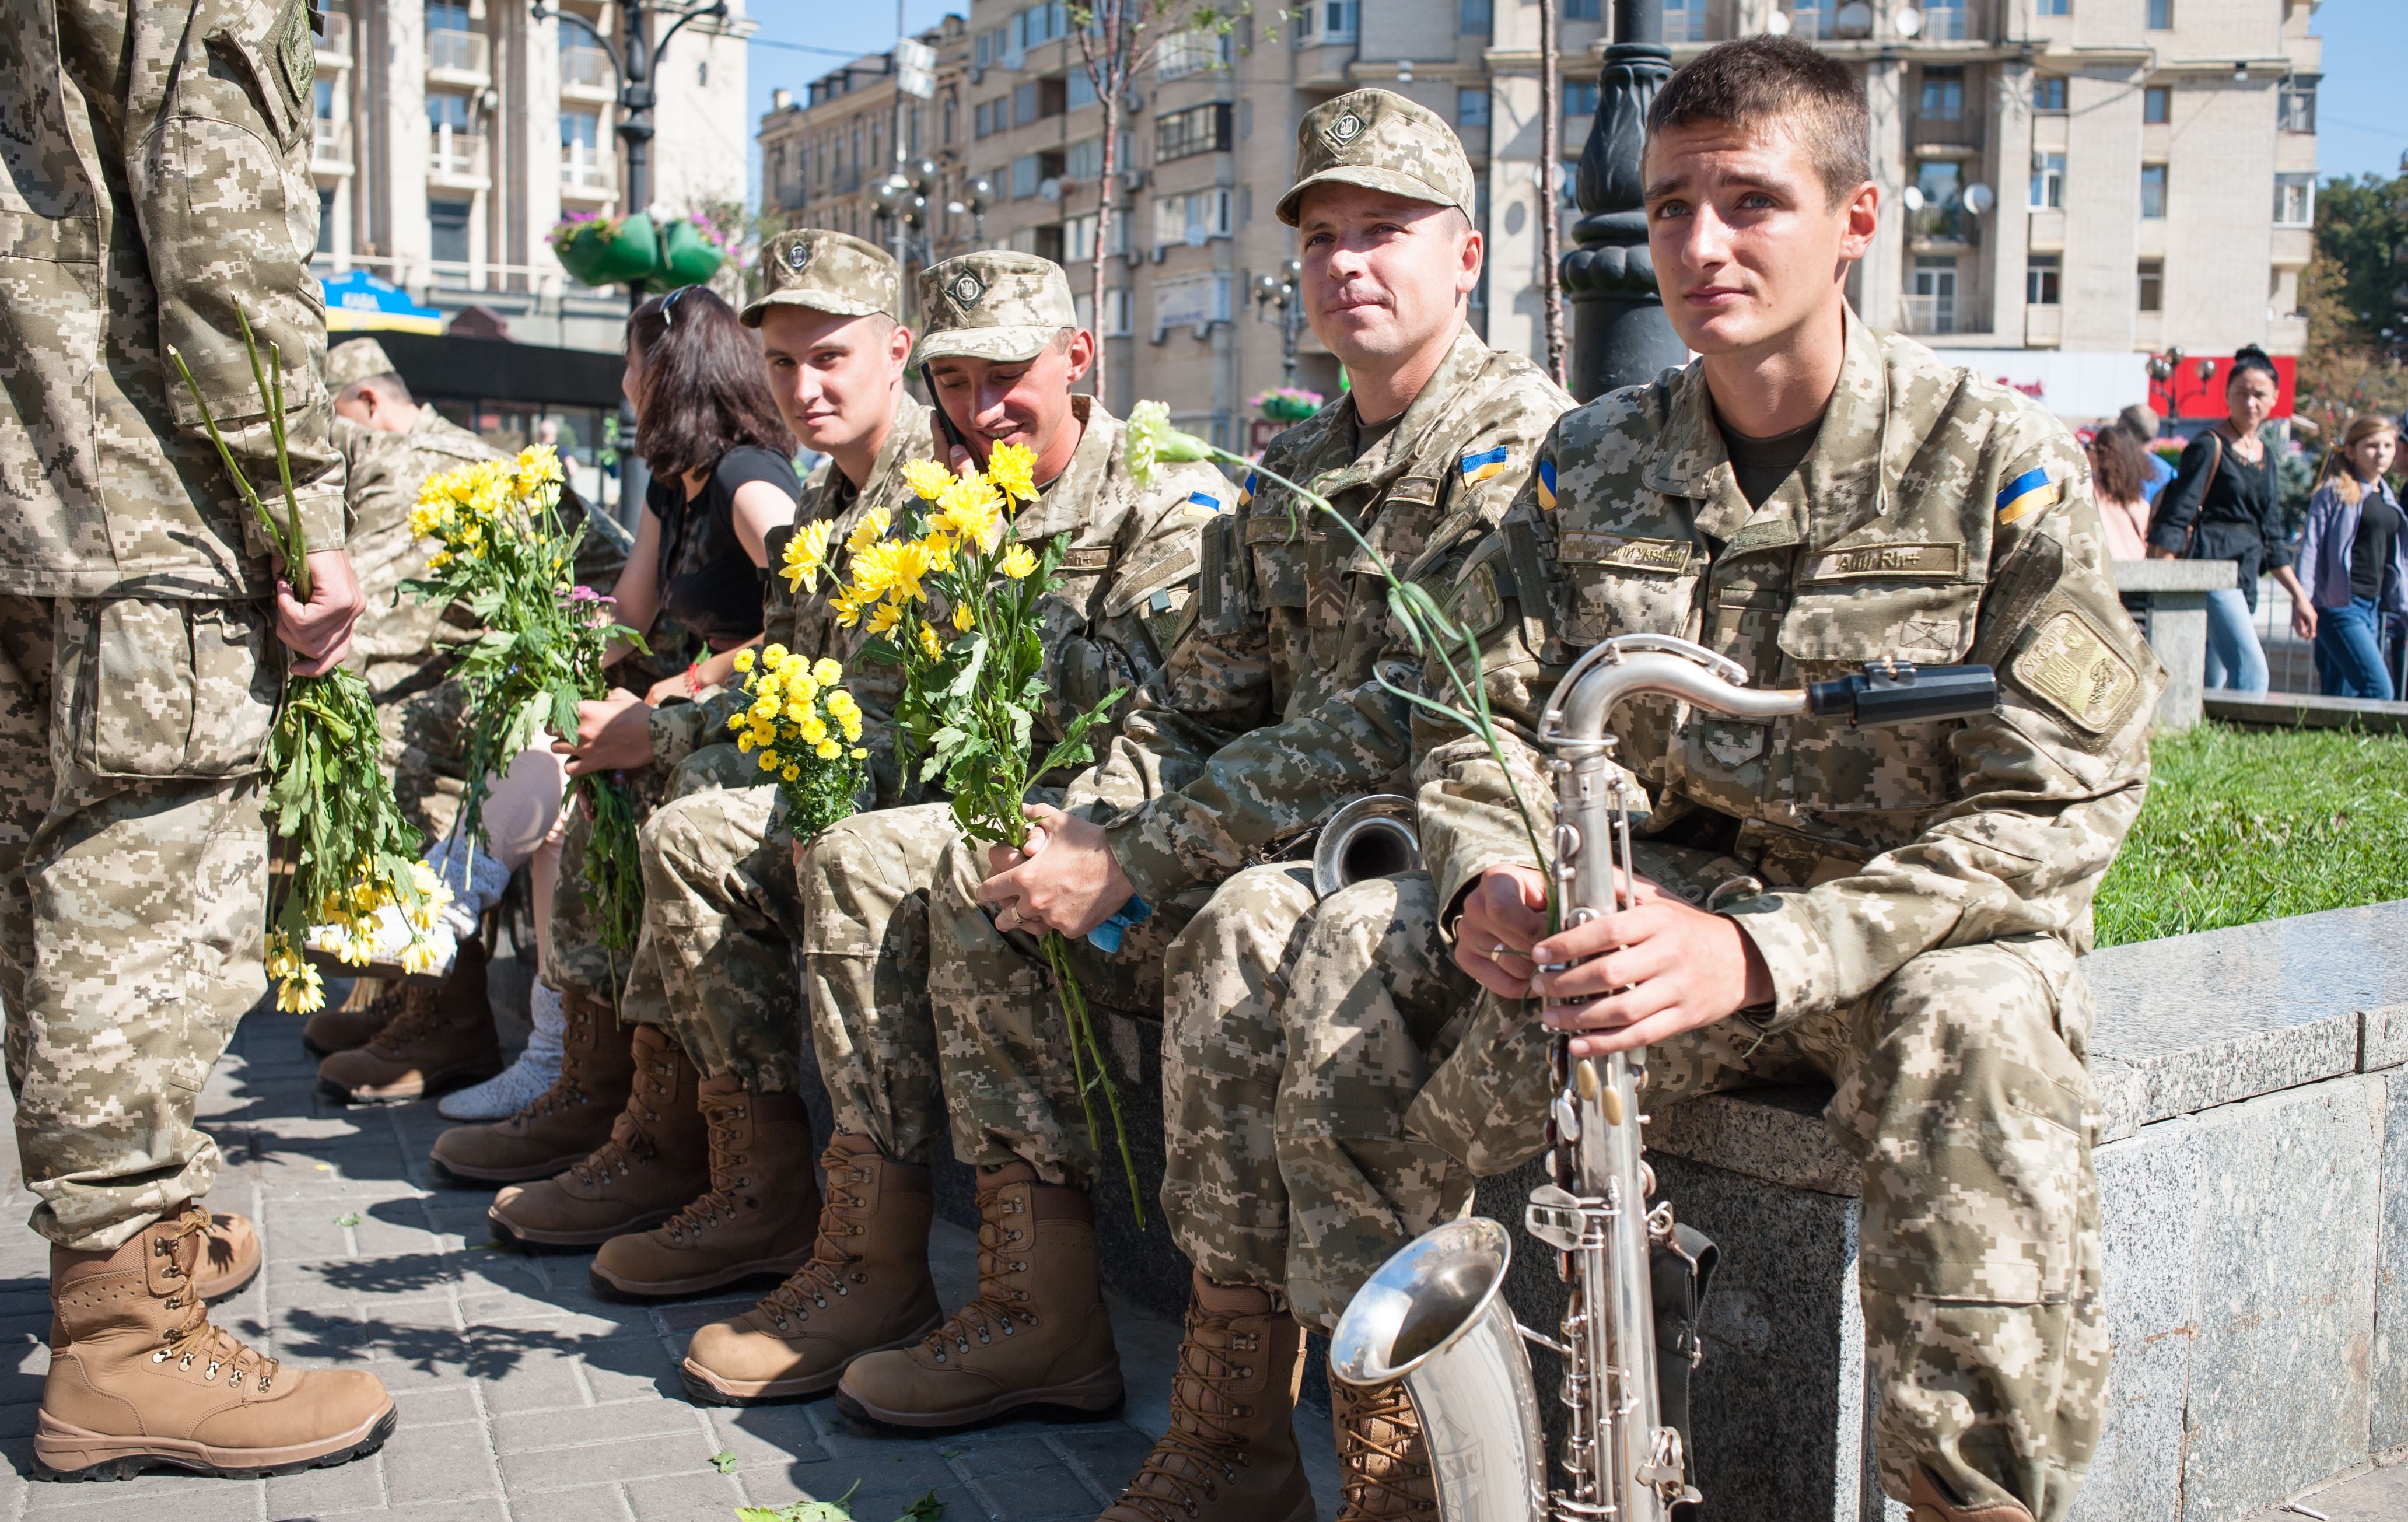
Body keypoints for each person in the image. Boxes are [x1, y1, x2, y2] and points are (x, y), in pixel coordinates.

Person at [1088, 39, 2157, 1522]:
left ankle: (1962, 1497)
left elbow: (2057, 803)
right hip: (1643, 929)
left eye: (1748, 202)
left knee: (1977, 1031)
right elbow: (1478, 715)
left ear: (1856, 221)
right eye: (1665, 208)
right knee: (1343, 946)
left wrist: (1760, 950)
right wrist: (1484, 874)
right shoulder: (1589, 463)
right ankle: (1397, 1460)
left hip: (1893, 939)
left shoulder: (1993, 464)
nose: (1698, 245)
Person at [891, 91, 1572, 1490]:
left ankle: (1356, 1435)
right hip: (1270, 836)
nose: (1345, 265)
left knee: (1250, 926)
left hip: (1428, 854)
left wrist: (1140, 851)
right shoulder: (1300, 465)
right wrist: (1084, 819)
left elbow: (1409, 715)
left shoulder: (1521, 449)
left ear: (1467, 255)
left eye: (1382, 232)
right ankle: (1054, 1318)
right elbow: (1198, 690)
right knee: (996, 882)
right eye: (1322, 237)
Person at [669, 249, 1236, 1414]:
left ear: (1078, 358)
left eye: (1006, 377)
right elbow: (897, 702)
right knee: (843, 846)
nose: (979, 411)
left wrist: (1077, 821)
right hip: (1023, 827)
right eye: (955, 384)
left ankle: (1039, 1311)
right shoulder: (952, 501)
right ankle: (868, 1254)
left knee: (945, 866)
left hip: (1141, 858)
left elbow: (1170, 723)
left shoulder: (1166, 498)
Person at [2, 0, 401, 1478]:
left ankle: (137, 1240)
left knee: (47, 876)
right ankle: (124, 1335)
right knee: (135, 887)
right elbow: (221, 231)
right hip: (118, 484)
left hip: (28, 468)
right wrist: (304, 516)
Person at [429, 232, 928, 1285]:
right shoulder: (733, 486)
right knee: (624, 775)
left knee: (678, 800)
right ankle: (635, 1104)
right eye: (784, 362)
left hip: (867, 776)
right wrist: (561, 673)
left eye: (826, 357)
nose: (800, 385)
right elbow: (649, 621)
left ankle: (718, 1162)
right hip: (783, 740)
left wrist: (665, 707)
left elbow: (822, 675)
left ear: (895, 350)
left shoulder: (773, 482)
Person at [414, 289, 798, 1184]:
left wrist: (692, 680)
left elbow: (809, 628)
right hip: (687, 702)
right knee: (555, 747)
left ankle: (459, 917)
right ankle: (553, 1051)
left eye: (632, 365)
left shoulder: (749, 479)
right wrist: (535, 644)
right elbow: (626, 615)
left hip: (757, 712)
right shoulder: (678, 482)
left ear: (667, 376)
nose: (624, 383)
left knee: (581, 780)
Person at [303, 339, 628, 1115]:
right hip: (518, 664)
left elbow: (369, 622)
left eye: (334, 426)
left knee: (387, 725)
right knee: (383, 711)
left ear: (370, 404)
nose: (328, 450)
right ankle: (404, 983)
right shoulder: (432, 453)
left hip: (558, 668)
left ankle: (445, 1012)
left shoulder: (418, 463)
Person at [2144, 347, 2308, 693]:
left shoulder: (2267, 457)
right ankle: (2247, 740)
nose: (2251, 403)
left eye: (2260, 394)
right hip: (2210, 569)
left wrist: (2299, 596)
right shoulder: (2209, 445)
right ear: (2227, 396)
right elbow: (2178, 513)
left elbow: (2272, 535)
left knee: (2211, 677)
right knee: (2252, 670)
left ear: (2275, 398)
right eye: (2242, 393)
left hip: (2245, 572)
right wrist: (2164, 577)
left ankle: (2199, 740)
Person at [2294, 415, 2406, 700]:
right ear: (2350, 450)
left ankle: (2326, 743)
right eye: (2371, 445)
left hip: (2373, 607)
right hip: (2339, 605)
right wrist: (2303, 599)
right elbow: (2311, 547)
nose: (2380, 452)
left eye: (2387, 445)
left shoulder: (2388, 498)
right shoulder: (2335, 492)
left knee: (2337, 693)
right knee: (2379, 689)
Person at [2089, 424, 2154, 561]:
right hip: (2137, 571)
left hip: (2106, 570)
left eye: (2092, 447)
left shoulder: (2089, 494)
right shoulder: (2141, 503)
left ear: (2101, 454)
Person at [2118, 403, 2174, 504]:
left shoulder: (2120, 470)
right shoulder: (2170, 473)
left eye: (2118, 430)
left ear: (2130, 433)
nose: (2115, 436)